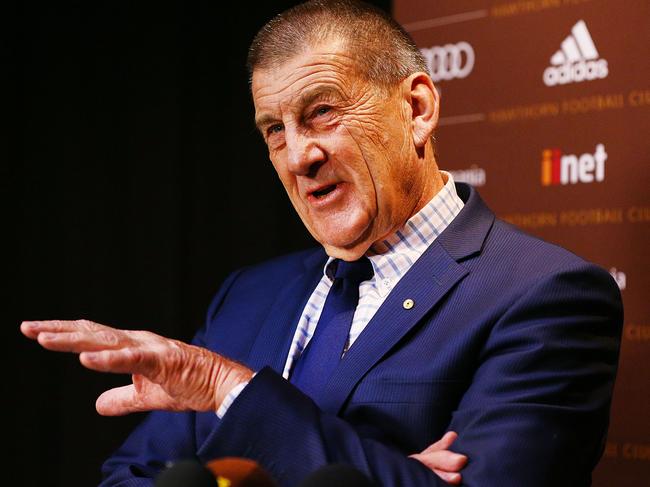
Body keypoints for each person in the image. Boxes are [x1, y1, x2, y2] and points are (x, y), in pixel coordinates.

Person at [21, 1, 623, 486]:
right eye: (273, 131)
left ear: (416, 108)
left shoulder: (546, 295)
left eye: (323, 112)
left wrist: (227, 389)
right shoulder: (249, 294)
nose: (299, 156)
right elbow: (131, 476)